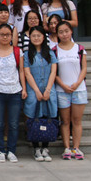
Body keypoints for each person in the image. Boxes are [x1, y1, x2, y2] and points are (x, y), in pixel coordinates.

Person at [0, 23, 26, 163]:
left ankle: (11, 150)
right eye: (2, 34)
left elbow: (21, 71)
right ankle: (0, 150)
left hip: (15, 91)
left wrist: (24, 88)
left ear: (12, 36)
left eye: (7, 35)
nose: (4, 37)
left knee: (14, 124)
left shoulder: (18, 52)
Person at [54, 21, 88, 160]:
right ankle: (67, 148)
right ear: (57, 34)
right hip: (62, 90)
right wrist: (63, 85)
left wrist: (77, 83)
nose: (64, 34)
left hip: (79, 89)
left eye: (66, 31)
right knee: (65, 121)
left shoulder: (79, 49)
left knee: (77, 120)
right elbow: (54, 72)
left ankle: (76, 148)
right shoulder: (54, 50)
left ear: (71, 32)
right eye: (61, 32)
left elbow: (84, 68)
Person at [23, 25, 57, 162]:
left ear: (44, 37)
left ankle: (45, 148)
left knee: (47, 117)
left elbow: (53, 72)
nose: (36, 38)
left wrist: (48, 89)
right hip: (33, 90)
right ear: (30, 38)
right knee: (34, 117)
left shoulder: (50, 53)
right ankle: (36, 148)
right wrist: (37, 90)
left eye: (39, 35)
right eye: (33, 36)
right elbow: (27, 73)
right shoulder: (27, 54)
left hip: (49, 89)